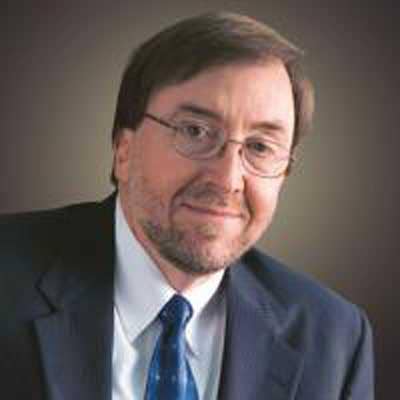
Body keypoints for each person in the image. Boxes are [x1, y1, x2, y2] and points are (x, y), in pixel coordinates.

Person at [0, 12, 373, 400]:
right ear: (123, 150)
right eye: (195, 131)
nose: (227, 179)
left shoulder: (334, 341)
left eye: (260, 147)